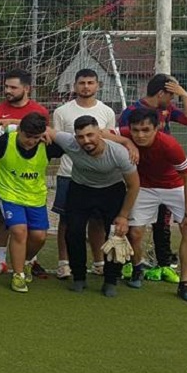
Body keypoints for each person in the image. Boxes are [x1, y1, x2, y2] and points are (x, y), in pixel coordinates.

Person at [45, 117, 139, 296]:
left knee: (115, 234)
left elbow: (134, 185)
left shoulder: (118, 153)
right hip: (80, 190)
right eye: (81, 137)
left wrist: (123, 216)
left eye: (90, 135)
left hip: (111, 192)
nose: (86, 140)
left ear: (100, 133)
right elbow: (43, 129)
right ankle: (79, 277)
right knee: (73, 232)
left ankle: (111, 280)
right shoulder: (69, 142)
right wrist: (9, 122)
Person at [118, 74, 187, 280]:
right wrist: (129, 143)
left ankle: (164, 264)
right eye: (171, 95)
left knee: (163, 223)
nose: (173, 100)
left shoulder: (167, 111)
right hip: (143, 179)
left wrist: (185, 95)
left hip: (169, 177)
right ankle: (131, 263)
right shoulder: (131, 112)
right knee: (135, 228)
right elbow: (117, 135)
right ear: (161, 93)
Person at [121, 108, 187, 303]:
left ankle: (184, 284)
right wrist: (126, 142)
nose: (140, 135)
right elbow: (102, 133)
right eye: (135, 130)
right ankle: (137, 268)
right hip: (145, 188)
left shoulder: (170, 145)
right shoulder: (126, 134)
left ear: (157, 128)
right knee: (134, 233)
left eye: (146, 130)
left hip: (175, 187)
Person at [0, 113, 64, 293]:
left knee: (39, 237)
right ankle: (18, 275)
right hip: (9, 195)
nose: (31, 141)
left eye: (36, 137)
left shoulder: (49, 144)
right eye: (28, 136)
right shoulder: (3, 141)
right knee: (19, 231)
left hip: (35, 197)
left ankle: (26, 261)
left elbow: (75, 143)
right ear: (19, 130)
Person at [0, 69, 50, 278]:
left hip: (29, 180)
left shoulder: (40, 111)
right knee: (2, 218)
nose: (7, 91)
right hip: (2, 176)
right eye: (6, 87)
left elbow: (43, 135)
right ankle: (1, 260)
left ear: (26, 88)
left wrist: (13, 122)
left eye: (13, 87)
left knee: (30, 227)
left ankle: (29, 259)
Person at [52, 69, 116, 279]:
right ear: (75, 86)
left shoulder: (107, 112)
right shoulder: (62, 112)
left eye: (90, 82)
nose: (86, 86)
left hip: (98, 178)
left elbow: (110, 144)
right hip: (69, 175)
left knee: (97, 221)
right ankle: (64, 263)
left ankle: (98, 261)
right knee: (66, 221)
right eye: (82, 83)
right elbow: (58, 141)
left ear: (98, 85)